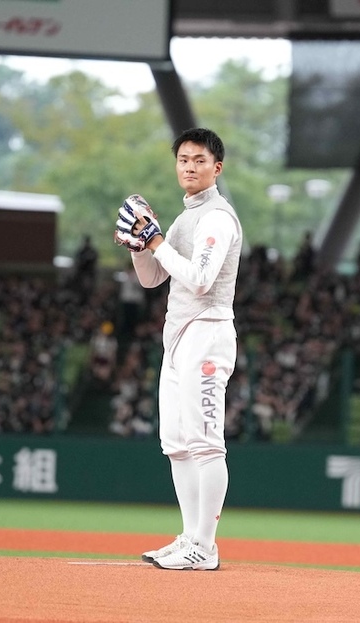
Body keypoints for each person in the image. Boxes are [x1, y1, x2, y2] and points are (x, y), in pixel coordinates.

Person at [113, 127, 242, 571]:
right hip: (180, 337)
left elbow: (201, 279)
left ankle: (205, 546)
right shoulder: (186, 218)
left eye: (199, 160)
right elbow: (153, 279)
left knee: (205, 444)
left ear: (216, 168)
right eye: (183, 159)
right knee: (178, 445)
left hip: (207, 331)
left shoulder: (217, 217)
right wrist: (138, 247)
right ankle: (190, 536)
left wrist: (155, 241)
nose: (189, 166)